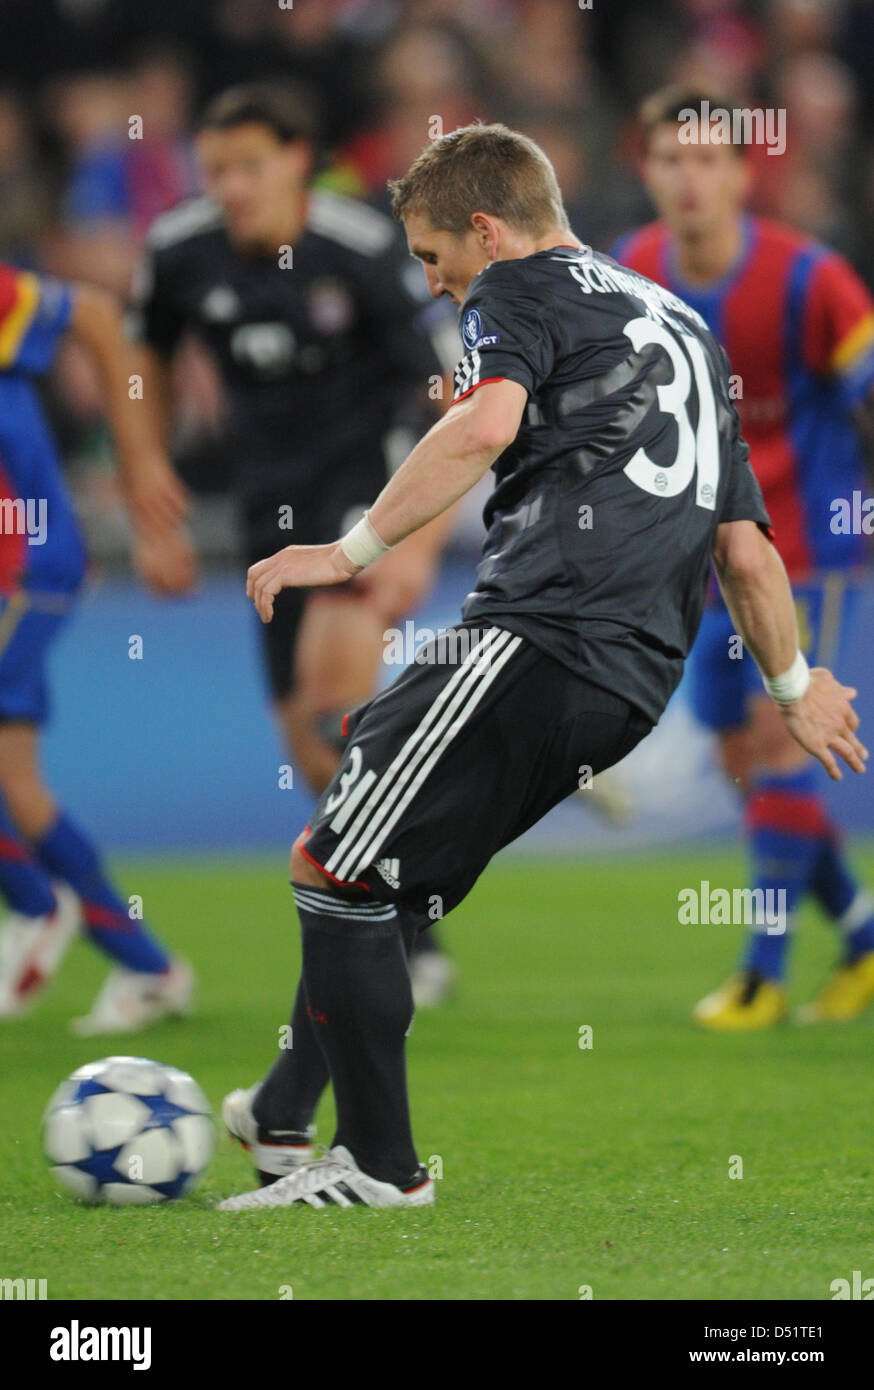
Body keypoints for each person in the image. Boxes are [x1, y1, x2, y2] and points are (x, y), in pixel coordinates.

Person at [216, 123, 866, 1211]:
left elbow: (482, 428)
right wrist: (795, 686)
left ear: (485, 227)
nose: (432, 281)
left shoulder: (514, 289)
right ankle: (284, 1113)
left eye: (432, 256)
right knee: (391, 877)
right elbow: (743, 546)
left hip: (540, 631)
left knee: (334, 863)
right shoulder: (684, 327)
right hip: (630, 680)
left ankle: (381, 1171)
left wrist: (347, 549)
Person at [128, 82, 459, 1011]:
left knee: (331, 699)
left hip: (368, 488)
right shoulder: (178, 250)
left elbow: (440, 389)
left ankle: (397, 937)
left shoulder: (357, 249)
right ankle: (418, 906)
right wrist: (147, 480)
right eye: (215, 169)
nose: (230, 187)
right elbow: (139, 351)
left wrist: (413, 541)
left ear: (296, 161)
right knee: (313, 748)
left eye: (249, 167)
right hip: (266, 503)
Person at [614, 87, 874, 1028]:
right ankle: (863, 936)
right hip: (698, 556)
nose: (688, 178)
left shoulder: (811, 278)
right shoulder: (631, 273)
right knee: (744, 756)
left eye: (706, 159)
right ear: (646, 170)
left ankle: (761, 973)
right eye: (669, 159)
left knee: (778, 738)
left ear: (740, 170)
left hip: (806, 544)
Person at [0, 260, 193, 1032]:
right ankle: (151, 969)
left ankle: (38, 909)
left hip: (24, 562)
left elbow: (99, 317)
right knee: (17, 785)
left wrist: (139, 464)